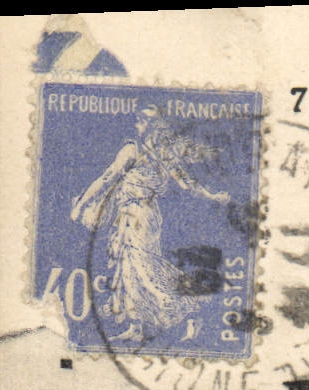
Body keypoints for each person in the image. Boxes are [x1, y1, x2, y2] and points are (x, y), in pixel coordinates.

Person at [68, 104, 231, 344]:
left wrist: (82, 203)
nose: (139, 125)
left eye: (143, 121)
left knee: (142, 267)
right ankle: (137, 326)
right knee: (128, 268)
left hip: (138, 215)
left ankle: (190, 310)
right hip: (135, 214)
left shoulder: (135, 151)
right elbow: (189, 184)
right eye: (140, 121)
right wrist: (213, 196)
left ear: (151, 125)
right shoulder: (163, 154)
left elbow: (107, 178)